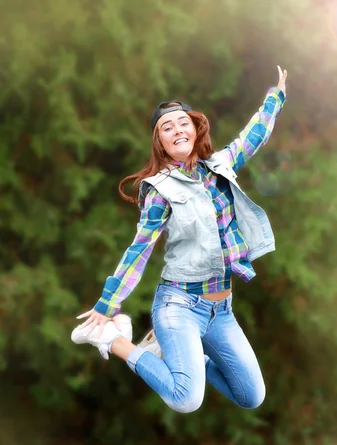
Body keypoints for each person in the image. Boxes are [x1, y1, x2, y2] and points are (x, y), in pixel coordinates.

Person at [71, 66, 288, 414]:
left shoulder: (219, 167)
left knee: (251, 396)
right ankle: (113, 339)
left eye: (182, 122)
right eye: (166, 128)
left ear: (194, 128)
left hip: (221, 310)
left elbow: (254, 135)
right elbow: (139, 250)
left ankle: (185, 355)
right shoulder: (160, 189)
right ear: (161, 142)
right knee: (186, 399)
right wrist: (107, 303)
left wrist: (276, 95)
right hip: (179, 305)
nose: (177, 130)